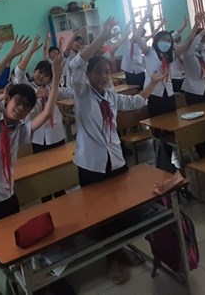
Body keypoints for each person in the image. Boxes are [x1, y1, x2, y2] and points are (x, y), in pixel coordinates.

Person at [0, 35, 64, 295]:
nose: (21, 107)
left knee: (9, 251)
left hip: (3, 197)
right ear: (7, 100)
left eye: (26, 106)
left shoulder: (21, 131)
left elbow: (47, 112)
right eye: (18, 101)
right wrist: (11, 55)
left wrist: (57, 77)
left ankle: (9, 288)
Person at [69, 17, 166, 285]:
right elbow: (75, 64)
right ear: (88, 75)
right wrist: (101, 36)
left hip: (115, 160)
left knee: (121, 209)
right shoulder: (82, 93)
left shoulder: (110, 95)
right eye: (98, 72)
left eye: (107, 72)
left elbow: (135, 101)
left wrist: (153, 83)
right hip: (92, 165)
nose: (104, 76)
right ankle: (111, 257)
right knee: (100, 214)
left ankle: (120, 248)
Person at [14, 34, 74, 153]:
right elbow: (19, 72)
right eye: (40, 72)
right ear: (34, 71)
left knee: (61, 158)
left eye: (46, 75)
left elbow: (70, 93)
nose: (41, 76)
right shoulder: (26, 87)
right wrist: (31, 51)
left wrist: (50, 95)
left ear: (50, 79)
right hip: (37, 136)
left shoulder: (52, 88)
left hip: (56, 133)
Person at [113, 18, 148, 87]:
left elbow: (151, 36)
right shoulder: (126, 42)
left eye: (139, 35)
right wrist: (132, 18)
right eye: (135, 33)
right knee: (131, 87)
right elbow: (126, 29)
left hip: (139, 69)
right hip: (129, 70)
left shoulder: (141, 44)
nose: (135, 35)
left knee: (142, 87)